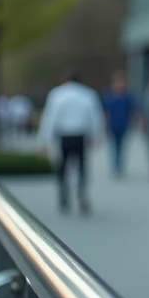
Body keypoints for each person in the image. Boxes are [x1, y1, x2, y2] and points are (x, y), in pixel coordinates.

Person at [37, 70, 104, 215]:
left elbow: (50, 118)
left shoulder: (57, 94)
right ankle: (81, 190)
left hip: (64, 135)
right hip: (80, 135)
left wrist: (45, 140)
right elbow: (95, 116)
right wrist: (97, 135)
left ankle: (64, 196)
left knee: (63, 167)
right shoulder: (88, 94)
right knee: (82, 166)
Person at [101, 71, 136, 178]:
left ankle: (120, 167)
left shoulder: (128, 95)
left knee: (122, 147)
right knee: (113, 146)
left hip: (124, 125)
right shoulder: (108, 94)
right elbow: (105, 110)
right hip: (112, 125)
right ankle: (115, 167)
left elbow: (133, 110)